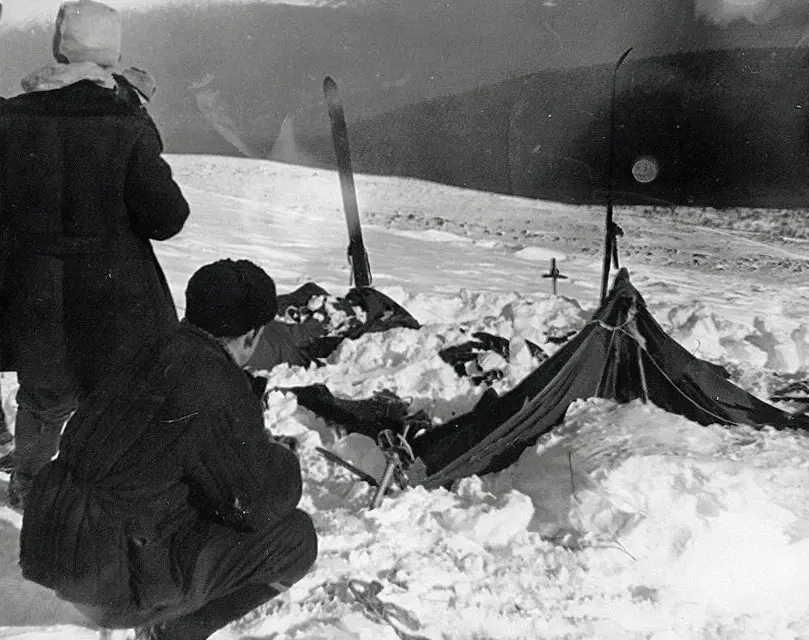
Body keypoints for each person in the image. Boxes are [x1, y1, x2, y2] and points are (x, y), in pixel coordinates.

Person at [19, 259, 317, 640]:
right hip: (111, 584)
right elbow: (258, 505)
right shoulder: (215, 383)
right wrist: (282, 458)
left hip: (54, 547)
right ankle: (174, 633)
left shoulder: (143, 349)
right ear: (251, 335)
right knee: (295, 538)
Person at [0, 0, 190, 508]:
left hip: (32, 291)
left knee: (42, 397)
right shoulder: (126, 120)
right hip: (113, 293)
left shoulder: (8, 118)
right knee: (115, 397)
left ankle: (29, 487)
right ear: (114, 53)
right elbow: (167, 219)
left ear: (57, 48)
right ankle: (105, 492)